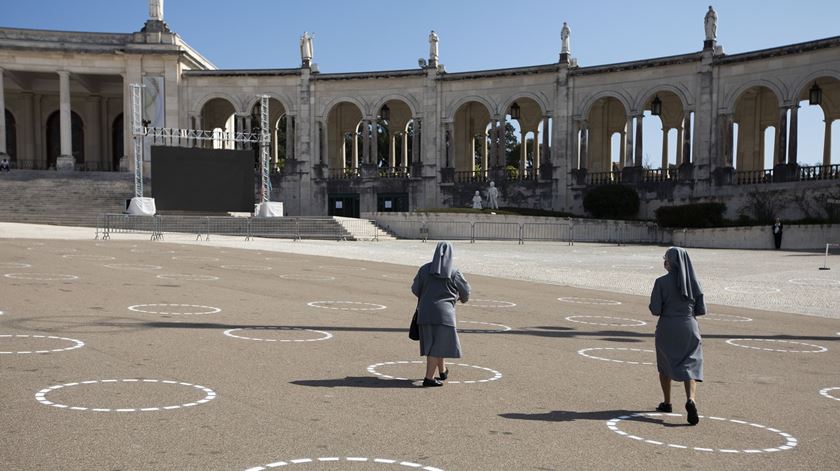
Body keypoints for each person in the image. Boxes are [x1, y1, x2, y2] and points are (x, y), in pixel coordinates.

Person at [649, 247, 705, 425]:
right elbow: (701, 310)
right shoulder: (694, 283)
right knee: (690, 365)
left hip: (668, 327)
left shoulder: (661, 282)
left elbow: (655, 310)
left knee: (665, 365)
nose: (664, 262)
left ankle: (667, 402)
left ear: (670, 262)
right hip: (689, 327)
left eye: (665, 259)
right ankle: (691, 400)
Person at [411, 241, 471, 387]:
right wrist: (459, 298)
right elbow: (466, 293)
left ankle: (442, 371)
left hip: (425, 312)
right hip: (445, 315)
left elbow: (415, 289)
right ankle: (429, 378)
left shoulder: (424, 269)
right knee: (437, 346)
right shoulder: (454, 272)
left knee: (435, 344)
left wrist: (426, 295)